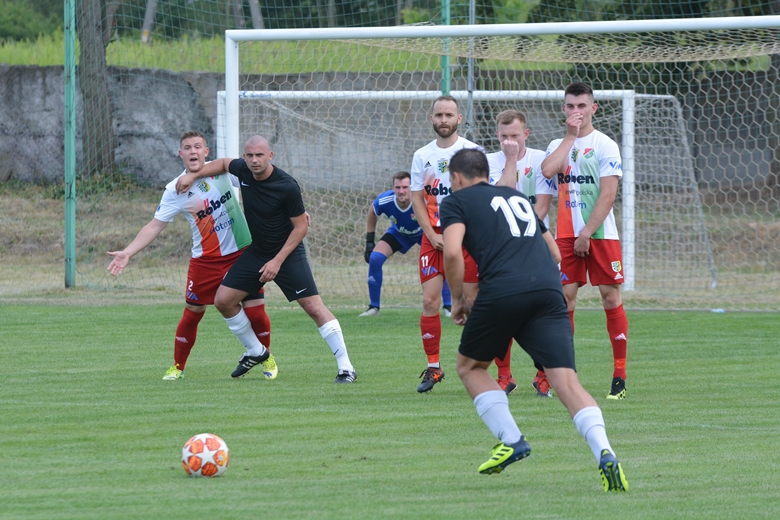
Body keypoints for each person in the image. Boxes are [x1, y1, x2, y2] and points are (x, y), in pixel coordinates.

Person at [440, 147, 628, 491]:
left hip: (502, 290)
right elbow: (555, 253)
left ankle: (511, 439)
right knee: (567, 382)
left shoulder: (456, 201)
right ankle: (605, 452)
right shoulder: (516, 198)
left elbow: (451, 251)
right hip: (548, 291)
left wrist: (457, 300)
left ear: (456, 178)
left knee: (470, 367)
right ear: (486, 173)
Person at [175, 135, 357, 384]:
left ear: (270, 156)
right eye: (249, 155)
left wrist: (277, 262)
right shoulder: (244, 171)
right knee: (223, 301)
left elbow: (301, 227)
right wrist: (193, 176)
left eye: (259, 155)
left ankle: (346, 368)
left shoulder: (287, 186)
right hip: (258, 252)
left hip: (288, 254)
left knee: (313, 306)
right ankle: (256, 351)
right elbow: (224, 163)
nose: (254, 160)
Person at [106, 130, 275, 381]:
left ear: (206, 152)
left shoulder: (223, 171)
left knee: (256, 310)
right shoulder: (174, 190)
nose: (193, 151)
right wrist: (128, 252)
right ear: (180, 153)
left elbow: (260, 181)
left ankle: (266, 358)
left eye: (197, 147)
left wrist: (290, 208)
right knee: (192, 312)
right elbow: (154, 225)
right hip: (205, 261)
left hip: (242, 254)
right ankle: (178, 366)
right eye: (188, 147)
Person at [541, 82, 629, 400]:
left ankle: (619, 377)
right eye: (570, 106)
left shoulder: (605, 145)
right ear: (563, 109)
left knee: (610, 297)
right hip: (565, 235)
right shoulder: (557, 144)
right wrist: (570, 136)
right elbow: (548, 171)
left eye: (581, 106)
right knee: (563, 301)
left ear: (593, 108)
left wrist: (587, 233)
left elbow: (608, 195)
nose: (576, 111)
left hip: (600, 234)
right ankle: (564, 375)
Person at [410, 95, 482, 393]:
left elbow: (480, 195)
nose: (443, 120)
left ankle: (483, 367)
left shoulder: (473, 152)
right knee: (430, 301)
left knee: (474, 303)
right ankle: (434, 367)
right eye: (439, 115)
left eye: (449, 115)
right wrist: (431, 234)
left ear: (459, 118)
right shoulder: (421, 155)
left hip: (466, 237)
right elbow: (417, 197)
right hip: (433, 238)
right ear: (431, 118)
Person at [488, 110, 557, 397]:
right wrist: (511, 160)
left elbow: (543, 204)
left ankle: (543, 376)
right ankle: (505, 377)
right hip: (502, 249)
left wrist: (526, 237)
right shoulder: (489, 161)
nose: (509, 142)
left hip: (536, 246)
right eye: (504, 136)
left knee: (542, 314)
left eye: (515, 136)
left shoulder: (541, 159)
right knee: (501, 312)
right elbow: (499, 196)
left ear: (526, 134)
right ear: (497, 135)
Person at [360, 171, 452, 317]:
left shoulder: (423, 199)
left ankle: (448, 307)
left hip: (424, 234)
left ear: (411, 187)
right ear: (393, 188)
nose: (401, 191)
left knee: (442, 261)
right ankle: (374, 307)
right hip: (399, 234)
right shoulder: (386, 200)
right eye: (397, 187)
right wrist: (369, 241)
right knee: (375, 258)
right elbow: (373, 211)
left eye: (405, 187)